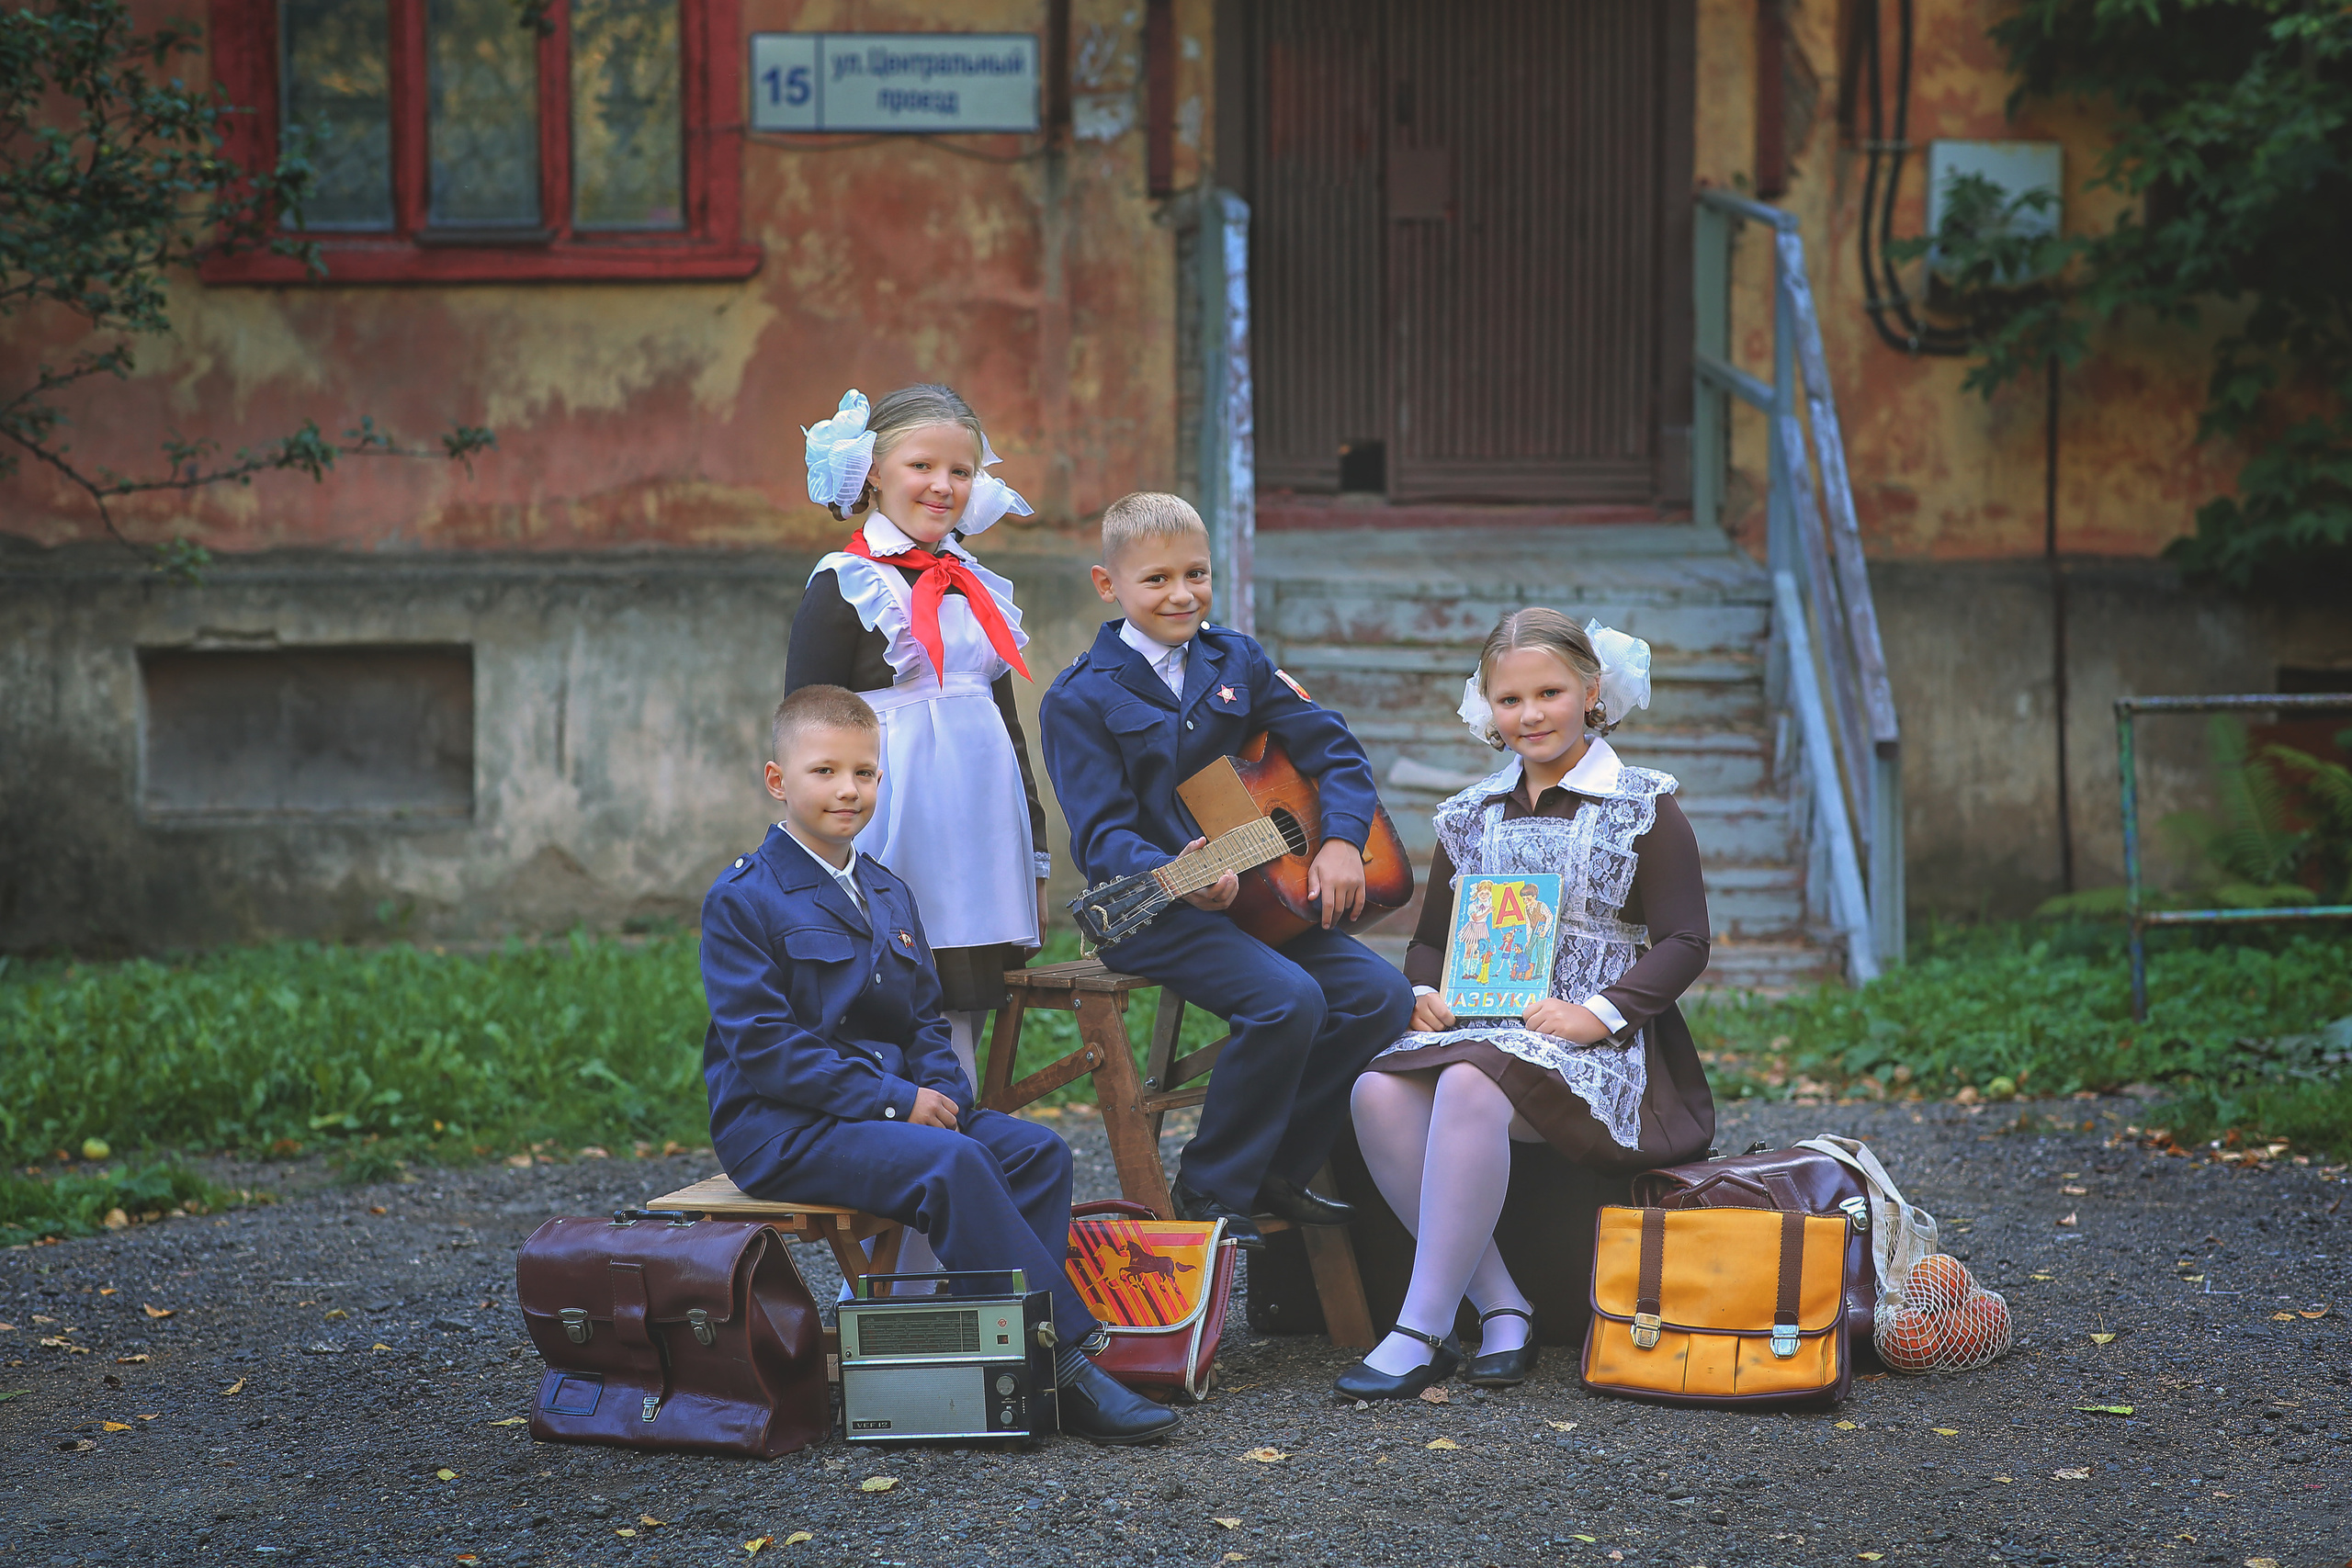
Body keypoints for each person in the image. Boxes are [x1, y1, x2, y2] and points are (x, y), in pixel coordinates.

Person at [699, 684, 1179, 1445]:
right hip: (783, 1126)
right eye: (825, 771)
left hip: (881, 1110)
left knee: (1039, 1153)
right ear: (777, 780)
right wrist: (897, 1101)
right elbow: (766, 1049)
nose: (848, 789)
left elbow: (924, 1019)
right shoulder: (745, 898)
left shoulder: (888, 891)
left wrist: (941, 1092)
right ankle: (1068, 1364)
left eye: (865, 772)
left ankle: (1007, 1363)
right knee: (952, 1165)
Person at [1339, 609, 1715, 1402]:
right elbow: (1431, 939)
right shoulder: (1470, 812)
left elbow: (1686, 940)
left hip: (1598, 1049)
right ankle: (1502, 1306)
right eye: (1510, 699)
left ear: (1592, 690)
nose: (1531, 714)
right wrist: (1423, 992)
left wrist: (1598, 1012)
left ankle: (1420, 1328)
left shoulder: (1642, 806)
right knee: (1375, 1089)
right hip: (1482, 1030)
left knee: (1468, 1082)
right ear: (1487, 704)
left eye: (1550, 692)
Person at [1039, 492, 1416, 1247]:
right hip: (1160, 909)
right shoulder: (1079, 698)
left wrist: (1342, 840)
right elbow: (1103, 834)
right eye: (1157, 579)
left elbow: (1333, 750)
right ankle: (1210, 1185)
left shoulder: (1237, 659)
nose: (1182, 594)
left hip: (1265, 900)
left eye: (1197, 574)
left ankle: (1279, 1168)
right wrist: (1174, 872)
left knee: (1382, 996)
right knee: (1288, 1000)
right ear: (1108, 584)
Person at [787, 385, 1046, 1281]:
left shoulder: (977, 583)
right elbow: (807, 728)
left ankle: (950, 1261)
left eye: (960, 469)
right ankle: (898, 1271)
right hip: (896, 828)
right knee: (891, 1014)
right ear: (872, 473)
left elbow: (1006, 723)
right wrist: (821, 858)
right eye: (922, 465)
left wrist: (1033, 842)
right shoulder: (844, 584)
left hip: (979, 833)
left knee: (959, 1015)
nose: (942, 484)